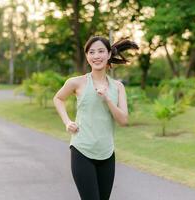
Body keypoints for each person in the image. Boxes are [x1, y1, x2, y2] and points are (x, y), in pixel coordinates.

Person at [53, 35, 138, 200]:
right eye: (91, 52)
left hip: (107, 153)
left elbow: (123, 120)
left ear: (108, 54)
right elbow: (58, 98)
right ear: (87, 56)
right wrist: (67, 122)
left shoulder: (118, 87)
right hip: (82, 150)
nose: (96, 56)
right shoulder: (76, 82)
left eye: (100, 51)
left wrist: (107, 99)